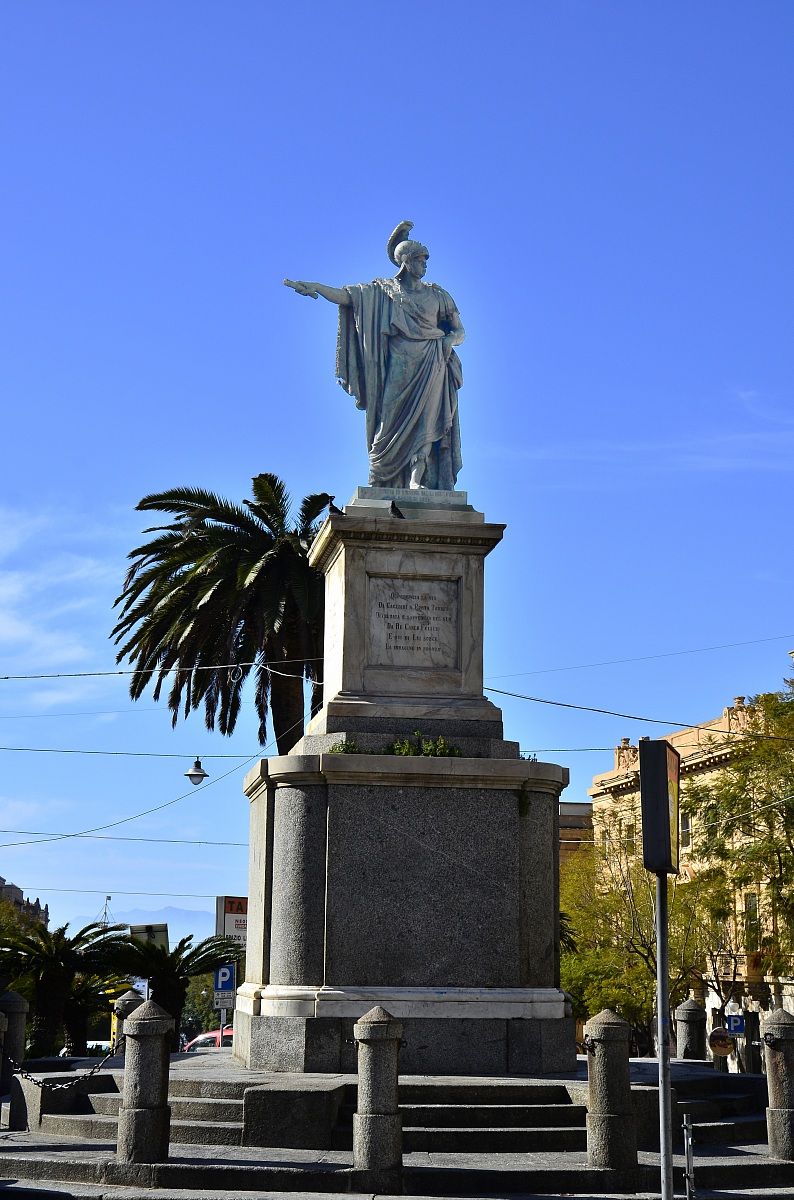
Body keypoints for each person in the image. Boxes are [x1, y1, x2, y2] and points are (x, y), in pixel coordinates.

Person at [285, 221, 464, 490]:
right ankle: (381, 475)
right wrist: (317, 288)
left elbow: (460, 331)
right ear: (406, 262)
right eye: (420, 260)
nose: (425, 266)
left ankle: (416, 481)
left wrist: (449, 340)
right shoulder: (384, 292)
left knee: (427, 423)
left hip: (433, 361)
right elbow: (348, 297)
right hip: (400, 364)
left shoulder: (439, 295)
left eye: (426, 261)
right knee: (388, 421)